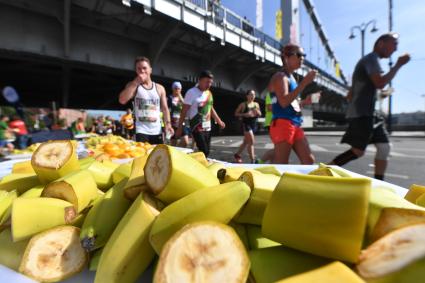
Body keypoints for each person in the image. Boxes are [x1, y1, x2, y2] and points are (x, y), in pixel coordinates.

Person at [329, 32, 410, 180]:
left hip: (371, 115)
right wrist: (398, 64)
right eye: (394, 44)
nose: (396, 49)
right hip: (362, 114)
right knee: (358, 151)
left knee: (384, 148)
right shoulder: (371, 59)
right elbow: (379, 83)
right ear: (381, 43)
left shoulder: (369, 60)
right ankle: (326, 171)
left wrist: (380, 95)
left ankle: (379, 184)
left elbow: (355, 91)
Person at [269, 43, 318, 164]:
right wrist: (305, 82)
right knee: (281, 164)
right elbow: (284, 102)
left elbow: (292, 104)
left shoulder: (291, 78)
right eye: (299, 55)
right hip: (283, 123)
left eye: (303, 55)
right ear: (286, 57)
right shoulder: (280, 77)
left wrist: (305, 102)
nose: (302, 58)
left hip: (294, 123)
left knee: (309, 160)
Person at [118, 56, 173, 144]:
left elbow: (165, 109)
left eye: (144, 68)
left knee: (157, 156)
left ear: (150, 70)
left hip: (157, 130)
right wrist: (135, 82)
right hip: (141, 130)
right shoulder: (133, 86)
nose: (142, 71)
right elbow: (122, 100)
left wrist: (168, 124)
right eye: (139, 69)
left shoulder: (159, 88)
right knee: (143, 156)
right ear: (136, 71)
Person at [175, 70, 225, 157]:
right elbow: (184, 110)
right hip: (196, 126)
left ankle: (195, 163)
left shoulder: (209, 93)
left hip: (207, 126)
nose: (209, 85)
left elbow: (211, 108)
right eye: (207, 82)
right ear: (200, 80)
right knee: (204, 150)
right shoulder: (191, 92)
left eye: (210, 82)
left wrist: (219, 121)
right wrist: (179, 128)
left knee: (206, 151)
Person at [233, 90, 262, 163]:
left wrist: (257, 112)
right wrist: (244, 114)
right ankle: (253, 160)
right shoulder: (243, 104)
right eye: (251, 94)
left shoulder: (256, 104)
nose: (253, 96)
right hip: (246, 124)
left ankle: (237, 154)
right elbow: (236, 113)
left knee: (246, 142)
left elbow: (260, 114)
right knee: (251, 141)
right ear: (247, 96)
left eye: (254, 94)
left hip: (253, 124)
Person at [168, 81, 190, 147]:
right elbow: (166, 110)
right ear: (172, 89)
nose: (177, 90)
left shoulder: (182, 99)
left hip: (181, 123)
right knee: (173, 144)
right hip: (172, 123)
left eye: (179, 88)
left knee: (185, 141)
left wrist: (181, 98)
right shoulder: (169, 98)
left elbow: (186, 108)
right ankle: (175, 153)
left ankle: (179, 151)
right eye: (175, 88)